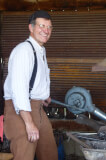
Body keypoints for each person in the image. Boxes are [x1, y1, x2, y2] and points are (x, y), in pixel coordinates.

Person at [3, 10, 58, 160]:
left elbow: (34, 78)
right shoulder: (23, 51)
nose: (46, 31)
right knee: (24, 156)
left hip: (38, 108)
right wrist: (28, 122)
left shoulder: (40, 50)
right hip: (20, 110)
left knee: (50, 154)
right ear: (31, 28)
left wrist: (42, 96)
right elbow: (19, 89)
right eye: (41, 26)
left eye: (49, 27)